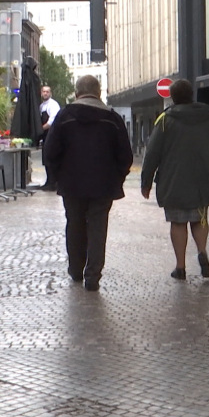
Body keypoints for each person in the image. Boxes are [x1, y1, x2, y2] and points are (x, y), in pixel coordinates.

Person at [43, 75, 133, 291]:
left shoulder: (64, 116)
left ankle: (76, 270)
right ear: (99, 92)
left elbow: (50, 151)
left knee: (74, 224)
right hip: (103, 185)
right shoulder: (112, 119)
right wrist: (117, 177)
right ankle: (93, 275)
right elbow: (125, 156)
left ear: (77, 93)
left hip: (71, 184)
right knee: (98, 228)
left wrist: (57, 177)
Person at [140, 79, 209, 280]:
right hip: (203, 179)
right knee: (200, 218)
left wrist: (146, 181)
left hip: (175, 179)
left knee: (178, 222)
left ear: (173, 97)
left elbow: (152, 153)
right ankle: (202, 251)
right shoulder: (207, 118)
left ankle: (180, 267)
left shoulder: (165, 120)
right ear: (191, 95)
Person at [39, 85, 62, 191]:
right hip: (45, 135)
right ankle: (49, 181)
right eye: (44, 91)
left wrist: (41, 129)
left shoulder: (53, 105)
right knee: (45, 158)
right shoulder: (41, 106)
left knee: (50, 158)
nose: (45, 93)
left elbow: (52, 121)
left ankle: (54, 182)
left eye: (47, 91)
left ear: (50, 93)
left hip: (52, 134)